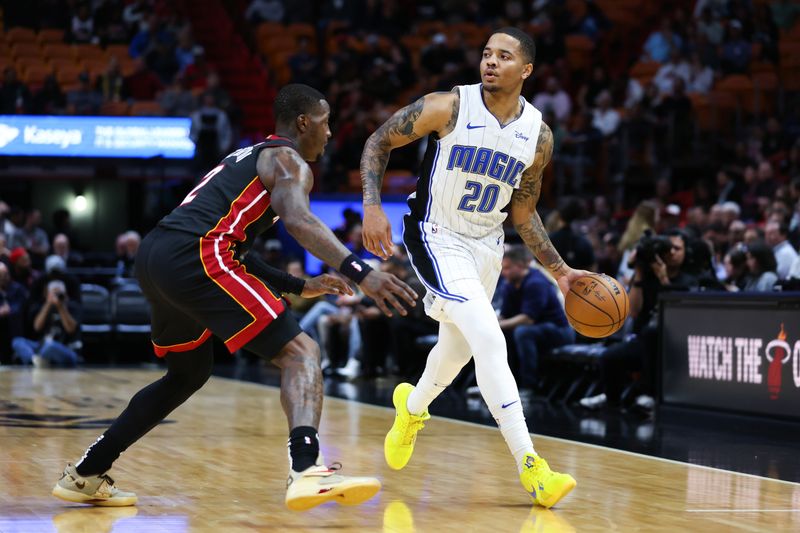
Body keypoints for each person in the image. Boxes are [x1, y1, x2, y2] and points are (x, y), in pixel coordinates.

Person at [52, 84, 417, 511]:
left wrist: (299, 285)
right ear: (304, 122)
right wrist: (360, 271)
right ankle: (306, 469)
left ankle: (87, 472)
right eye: (325, 122)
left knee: (187, 374)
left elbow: (239, 248)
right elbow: (298, 220)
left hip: (157, 256)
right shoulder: (288, 160)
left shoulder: (244, 157)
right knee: (301, 352)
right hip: (196, 255)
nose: (331, 133)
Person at [359, 27, 588, 508]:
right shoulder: (449, 106)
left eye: (504, 56)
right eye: (486, 54)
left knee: (458, 349)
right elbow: (379, 142)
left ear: (525, 70)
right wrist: (372, 206)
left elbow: (523, 211)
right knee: (489, 336)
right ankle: (532, 467)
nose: (490, 62)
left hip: (487, 245)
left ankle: (412, 407)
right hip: (435, 234)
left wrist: (561, 272)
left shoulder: (538, 135)